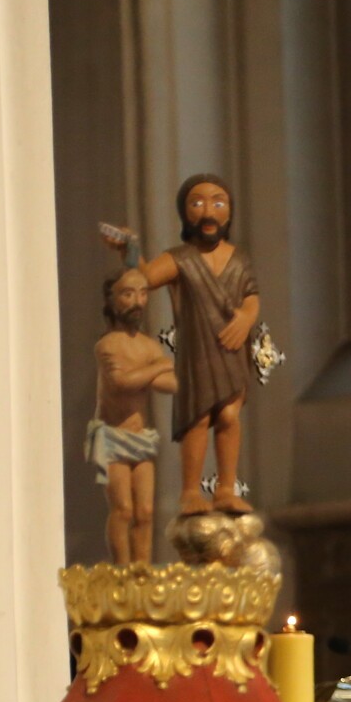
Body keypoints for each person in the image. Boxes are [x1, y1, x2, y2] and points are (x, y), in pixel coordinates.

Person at [101, 173, 261, 516]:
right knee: (198, 417)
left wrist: (247, 319)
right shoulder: (180, 258)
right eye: (197, 203)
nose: (208, 211)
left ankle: (225, 489)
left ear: (229, 212)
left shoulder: (239, 258)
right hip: (198, 351)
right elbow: (145, 276)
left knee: (229, 415)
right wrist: (130, 251)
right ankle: (190, 491)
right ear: (185, 213)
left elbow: (251, 296)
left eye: (218, 202)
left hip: (232, 347)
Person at [86, 268, 176, 563]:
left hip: (140, 438)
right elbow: (121, 383)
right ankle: (122, 572)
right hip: (113, 436)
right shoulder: (108, 345)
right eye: (128, 294)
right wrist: (158, 366)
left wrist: (146, 373)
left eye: (142, 293)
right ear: (111, 300)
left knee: (146, 511)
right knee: (123, 509)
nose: (137, 301)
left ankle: (141, 572)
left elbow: (171, 384)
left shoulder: (149, 346)